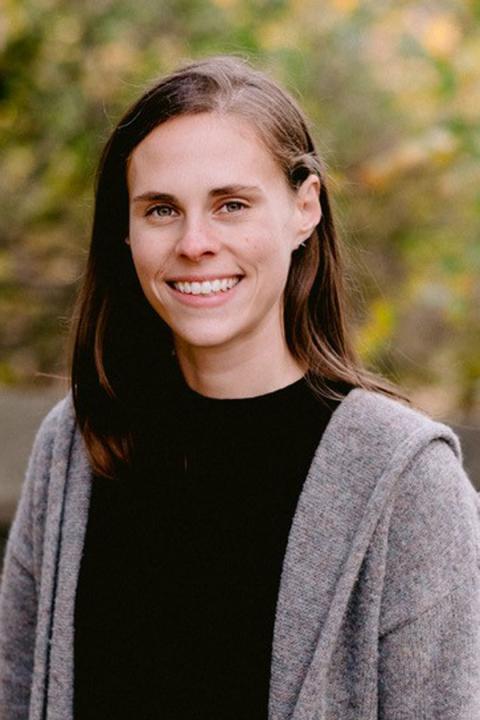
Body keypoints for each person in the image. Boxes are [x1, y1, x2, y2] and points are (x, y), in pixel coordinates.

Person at [0, 56, 479, 720]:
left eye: (231, 204)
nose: (195, 243)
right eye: (162, 209)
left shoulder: (405, 481)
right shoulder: (76, 448)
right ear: (127, 229)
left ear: (304, 209)